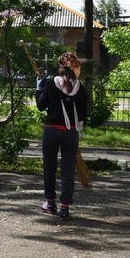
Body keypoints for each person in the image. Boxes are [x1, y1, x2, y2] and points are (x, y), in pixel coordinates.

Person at [36, 52, 88, 221]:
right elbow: (82, 115)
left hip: (51, 130)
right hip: (70, 133)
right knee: (68, 170)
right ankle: (65, 208)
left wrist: (39, 88)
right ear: (75, 68)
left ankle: (50, 204)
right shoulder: (81, 89)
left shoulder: (51, 84)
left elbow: (41, 106)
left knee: (49, 168)